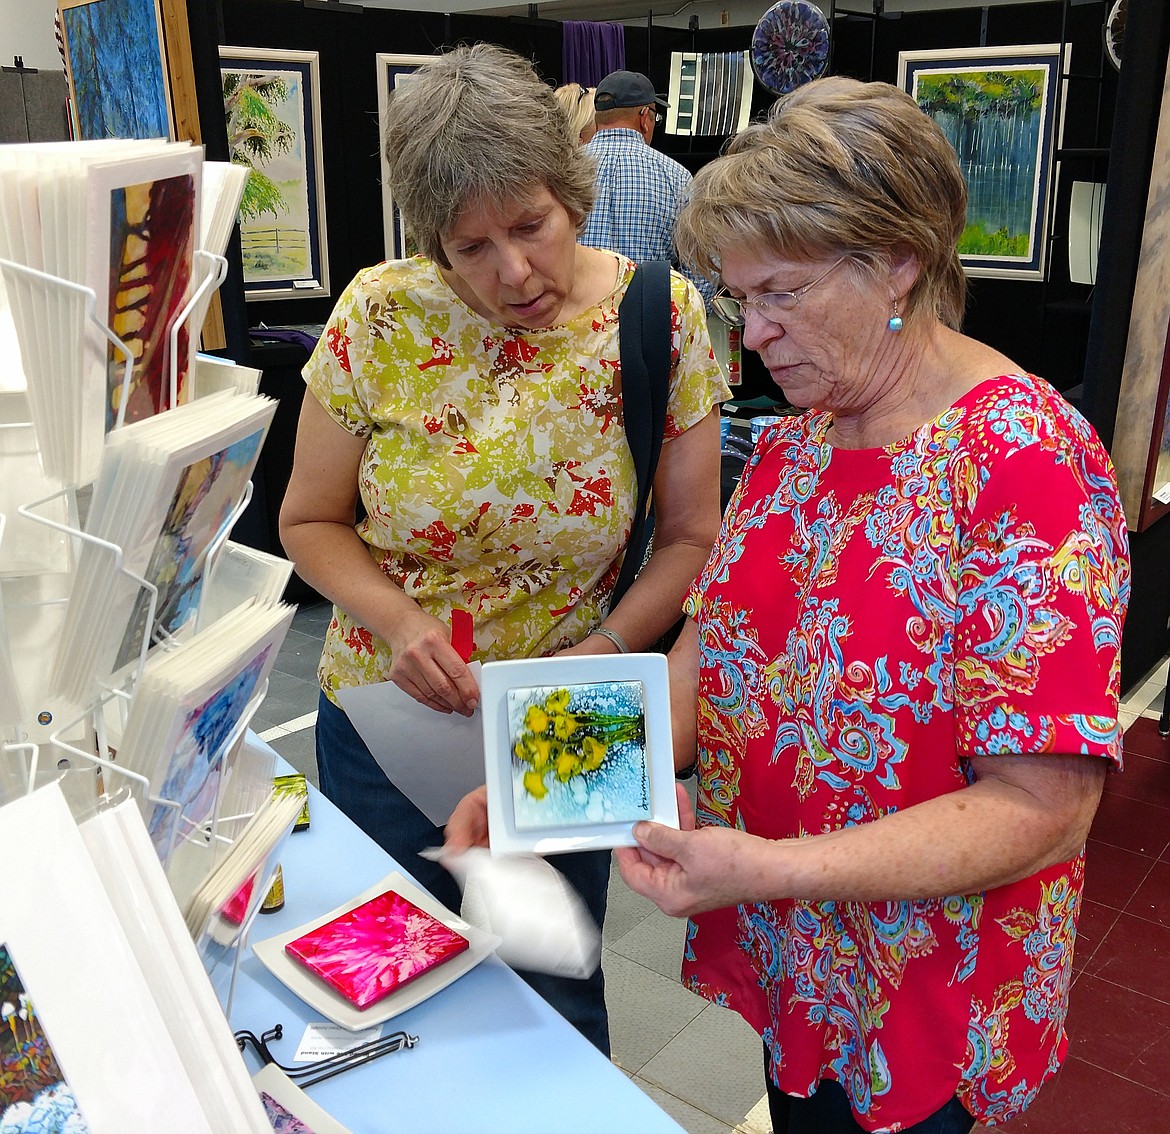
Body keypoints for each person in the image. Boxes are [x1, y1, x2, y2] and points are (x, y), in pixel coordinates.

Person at [448, 76, 1131, 1130]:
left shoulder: (1025, 463)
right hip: (800, 959)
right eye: (737, 298)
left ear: (897, 259)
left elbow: (1043, 808)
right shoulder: (800, 443)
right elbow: (709, 668)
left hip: (928, 986)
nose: (752, 334)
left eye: (781, 294)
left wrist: (770, 869)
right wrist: (539, 773)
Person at [279, 42, 730, 1057]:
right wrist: (398, 622)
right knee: (384, 992)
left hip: (573, 714)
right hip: (387, 715)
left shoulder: (660, 315)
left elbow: (695, 535)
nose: (513, 271)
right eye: (469, 248)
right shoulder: (380, 315)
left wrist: (605, 650)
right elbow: (307, 519)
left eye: (531, 226)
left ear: (573, 193)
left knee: (550, 1001)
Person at [579, 69, 714, 305]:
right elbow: (702, 269)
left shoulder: (562, 170)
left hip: (575, 328)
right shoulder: (676, 177)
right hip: (649, 325)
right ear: (644, 117)